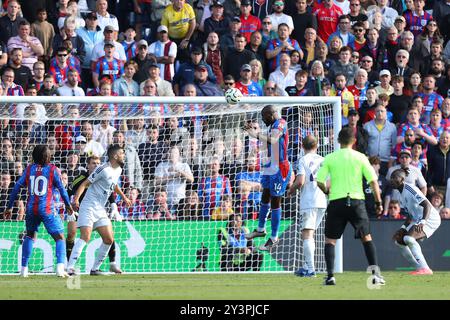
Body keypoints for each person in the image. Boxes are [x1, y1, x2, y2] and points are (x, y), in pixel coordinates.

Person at [316, 126, 385, 286]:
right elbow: (374, 181)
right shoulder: (360, 157)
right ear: (354, 141)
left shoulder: (330, 158)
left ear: (339, 141)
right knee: (366, 237)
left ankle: (331, 276)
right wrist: (378, 202)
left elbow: (319, 180)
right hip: (356, 202)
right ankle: (375, 276)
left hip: (336, 201)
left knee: (330, 241)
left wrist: (327, 190)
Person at [4, 145, 74, 278]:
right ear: (47, 157)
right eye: (49, 154)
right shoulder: (52, 169)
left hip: (31, 209)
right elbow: (62, 189)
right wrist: (68, 204)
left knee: (30, 236)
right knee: (60, 237)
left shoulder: (30, 168)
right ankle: (60, 268)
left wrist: (9, 206)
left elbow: (16, 187)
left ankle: (23, 270)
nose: (50, 156)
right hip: (47, 208)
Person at [67, 144, 131, 275]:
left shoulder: (118, 169)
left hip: (100, 209)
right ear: (115, 156)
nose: (124, 155)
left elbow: (113, 185)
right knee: (85, 236)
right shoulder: (102, 169)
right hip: (88, 206)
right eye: (122, 153)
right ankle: (70, 267)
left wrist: (124, 197)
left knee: (109, 239)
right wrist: (76, 200)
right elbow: (85, 184)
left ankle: (95, 269)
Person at [244, 105, 292, 251]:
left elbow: (274, 139)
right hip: (270, 166)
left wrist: (256, 135)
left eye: (264, 117)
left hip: (280, 168)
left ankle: (274, 237)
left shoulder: (281, 123)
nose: (263, 120)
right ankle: (260, 229)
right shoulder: (272, 126)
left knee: (275, 201)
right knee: (265, 195)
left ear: (271, 115)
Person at [287, 135, 327, 277]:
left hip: (309, 201)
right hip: (322, 201)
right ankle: (306, 266)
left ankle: (310, 269)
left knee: (307, 234)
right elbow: (328, 183)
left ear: (302, 147)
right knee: (310, 234)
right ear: (317, 146)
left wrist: (290, 190)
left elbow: (300, 181)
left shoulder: (303, 160)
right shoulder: (323, 160)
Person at [390, 168, 441, 275]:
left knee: (408, 238)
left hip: (430, 218)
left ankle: (425, 269)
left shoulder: (410, 189)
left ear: (402, 179)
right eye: (391, 178)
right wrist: (403, 228)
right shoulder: (401, 195)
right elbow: (410, 215)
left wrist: (422, 222)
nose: (392, 180)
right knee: (399, 241)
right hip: (419, 218)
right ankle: (418, 267)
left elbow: (426, 205)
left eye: (395, 177)